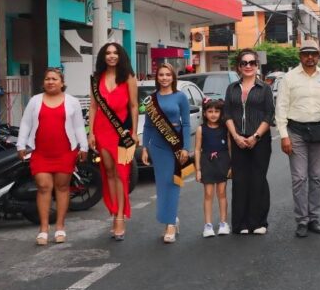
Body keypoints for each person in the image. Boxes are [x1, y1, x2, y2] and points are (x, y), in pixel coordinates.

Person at [17, 69, 87, 245]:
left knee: (62, 187)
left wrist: (83, 146)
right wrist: (21, 144)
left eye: (54, 79)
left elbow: (79, 126)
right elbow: (26, 123)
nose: (50, 82)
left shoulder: (72, 102)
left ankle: (60, 227)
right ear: (43, 82)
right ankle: (43, 228)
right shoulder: (35, 101)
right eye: (47, 79)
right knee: (43, 186)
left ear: (62, 82)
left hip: (65, 152)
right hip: (40, 152)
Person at [275, 39, 320, 238]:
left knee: (316, 177)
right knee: (299, 178)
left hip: (319, 132)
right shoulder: (289, 78)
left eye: (314, 54)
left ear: (319, 56)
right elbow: (281, 107)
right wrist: (284, 136)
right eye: (306, 54)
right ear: (300, 56)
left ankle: (314, 218)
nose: (310, 57)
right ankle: (302, 220)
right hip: (296, 131)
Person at [88, 42, 138, 241]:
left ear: (121, 56)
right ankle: (114, 209)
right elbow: (93, 107)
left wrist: (134, 132)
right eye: (108, 53)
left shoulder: (128, 77)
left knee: (121, 173)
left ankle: (119, 217)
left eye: (115, 53)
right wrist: (91, 133)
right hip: (101, 130)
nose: (111, 56)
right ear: (103, 56)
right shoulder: (96, 79)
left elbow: (134, 106)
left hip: (121, 132)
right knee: (108, 171)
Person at [225, 49, 274, 235]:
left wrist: (256, 137)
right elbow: (227, 114)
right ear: (238, 66)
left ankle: (259, 222)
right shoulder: (232, 88)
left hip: (259, 141)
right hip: (237, 140)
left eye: (251, 62)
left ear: (256, 65)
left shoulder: (265, 88)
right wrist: (236, 136)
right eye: (244, 63)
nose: (248, 66)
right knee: (239, 180)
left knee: (257, 180)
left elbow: (270, 115)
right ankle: (241, 223)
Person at [141, 63, 191, 243]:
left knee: (173, 182)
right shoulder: (150, 100)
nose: (164, 78)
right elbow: (147, 126)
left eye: (167, 75)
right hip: (158, 147)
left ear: (173, 77)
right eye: (161, 75)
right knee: (162, 185)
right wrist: (145, 147)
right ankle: (170, 219)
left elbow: (186, 124)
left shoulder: (180, 97)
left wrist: (186, 147)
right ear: (157, 77)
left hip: (175, 145)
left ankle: (170, 223)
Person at [195, 99, 230, 238]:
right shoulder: (200, 129)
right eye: (210, 111)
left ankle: (223, 222)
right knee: (208, 194)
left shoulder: (225, 128)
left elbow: (229, 147)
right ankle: (208, 225)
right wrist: (198, 170)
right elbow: (197, 150)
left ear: (221, 113)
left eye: (216, 111)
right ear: (204, 113)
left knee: (222, 193)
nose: (213, 114)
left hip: (223, 161)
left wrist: (231, 165)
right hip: (207, 163)